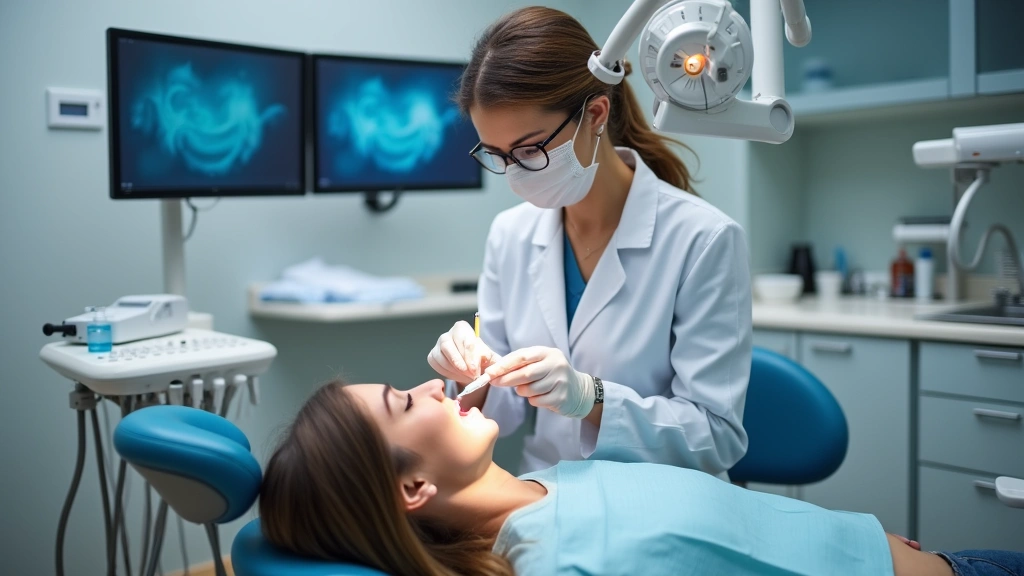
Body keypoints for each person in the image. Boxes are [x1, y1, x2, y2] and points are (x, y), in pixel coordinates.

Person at [427, 6, 752, 476]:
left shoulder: (703, 240)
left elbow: (716, 437)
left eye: (530, 149)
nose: (515, 171)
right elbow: (500, 410)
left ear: (596, 114)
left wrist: (591, 398)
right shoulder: (510, 235)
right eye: (498, 155)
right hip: (548, 489)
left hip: (661, 497)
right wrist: (468, 376)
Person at [260, 380, 1024, 576]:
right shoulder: (556, 558)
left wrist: (860, 544)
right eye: (404, 402)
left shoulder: (559, 482)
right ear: (411, 491)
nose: (430, 386)